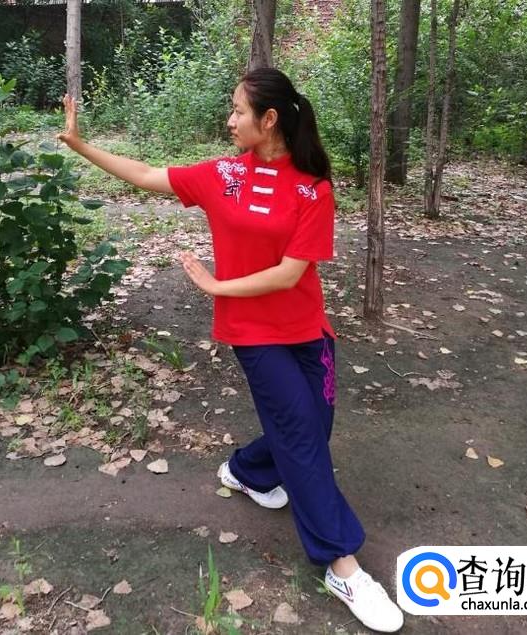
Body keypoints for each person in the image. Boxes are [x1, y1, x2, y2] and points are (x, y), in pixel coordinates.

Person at [58, 67, 404, 633]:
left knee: (313, 427)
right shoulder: (222, 175)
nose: (229, 120)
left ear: (269, 119)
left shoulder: (312, 188)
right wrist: (79, 144)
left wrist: (219, 286)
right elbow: (145, 174)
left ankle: (247, 470)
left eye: (238, 111)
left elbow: (290, 274)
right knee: (301, 437)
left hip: (308, 330)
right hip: (253, 334)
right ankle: (342, 563)